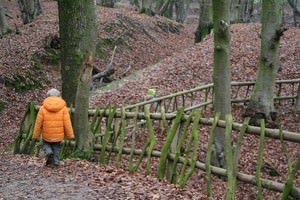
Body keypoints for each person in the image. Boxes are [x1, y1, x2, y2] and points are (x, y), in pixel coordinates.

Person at [32, 88, 74, 166]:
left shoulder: (42, 108)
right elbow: (67, 123)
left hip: (47, 134)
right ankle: (56, 162)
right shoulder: (63, 108)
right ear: (59, 96)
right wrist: (70, 135)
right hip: (58, 135)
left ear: (48, 96)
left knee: (45, 144)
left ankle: (48, 152)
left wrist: (36, 135)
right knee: (56, 147)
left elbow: (38, 123)